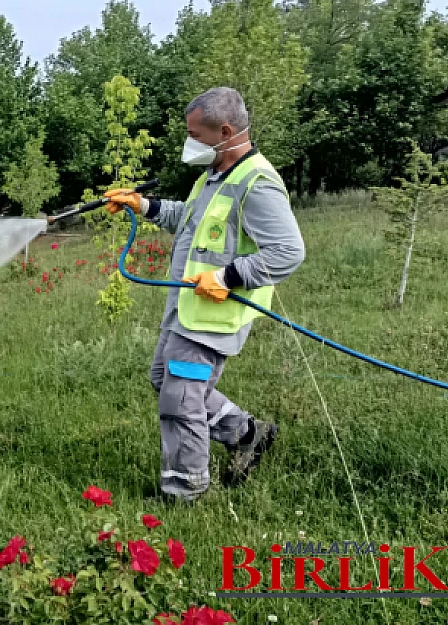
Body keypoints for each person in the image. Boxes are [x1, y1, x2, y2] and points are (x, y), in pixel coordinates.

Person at [102, 87, 306, 503]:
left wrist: (230, 276)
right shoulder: (214, 176)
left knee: (179, 401)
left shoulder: (258, 182)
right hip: (187, 309)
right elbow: (188, 220)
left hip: (213, 316)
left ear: (226, 131)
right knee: (164, 381)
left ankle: (184, 493)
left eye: (196, 133)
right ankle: (248, 434)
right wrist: (142, 205)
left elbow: (289, 252)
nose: (189, 141)